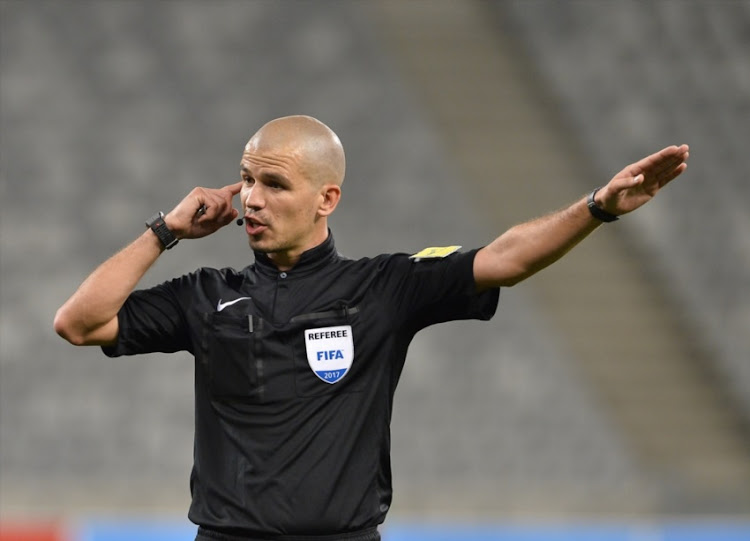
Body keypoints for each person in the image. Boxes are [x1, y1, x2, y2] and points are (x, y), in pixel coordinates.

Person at [54, 115, 689, 541]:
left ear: (326, 199)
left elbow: (508, 257)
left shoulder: (383, 287)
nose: (251, 199)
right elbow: (78, 323)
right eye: (247, 180)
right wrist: (167, 230)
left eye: (274, 183)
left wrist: (598, 207)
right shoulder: (207, 296)